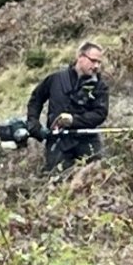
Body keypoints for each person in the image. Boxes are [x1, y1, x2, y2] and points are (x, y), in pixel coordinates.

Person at [26, 42, 111, 173]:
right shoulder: (56, 79)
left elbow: (100, 114)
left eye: (99, 63)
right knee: (57, 182)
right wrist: (33, 123)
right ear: (80, 57)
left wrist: (73, 120)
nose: (96, 66)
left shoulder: (100, 86)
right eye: (93, 61)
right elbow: (36, 99)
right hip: (58, 143)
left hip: (88, 142)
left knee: (95, 180)